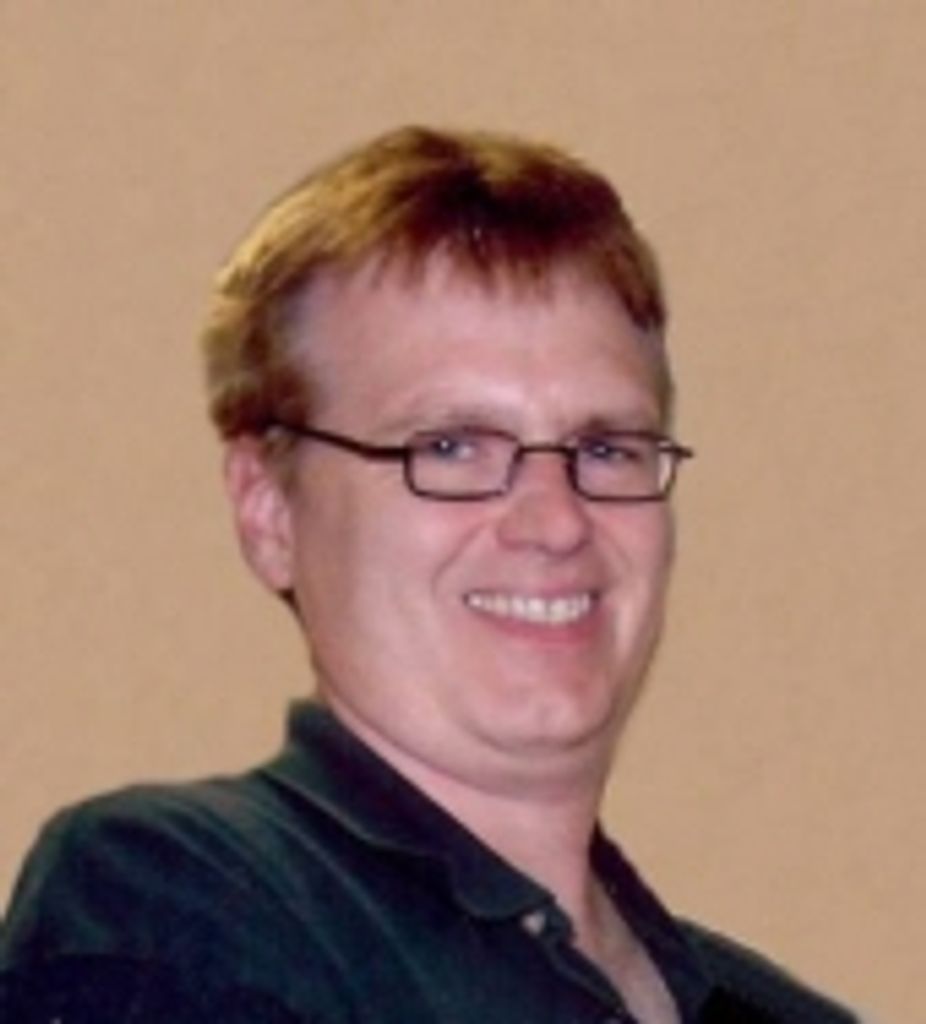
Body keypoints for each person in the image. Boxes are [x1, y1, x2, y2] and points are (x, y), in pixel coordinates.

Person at [0, 126, 857, 1023]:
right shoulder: (170, 903)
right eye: (449, 447)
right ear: (269, 510)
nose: (557, 521)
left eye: (605, 448)